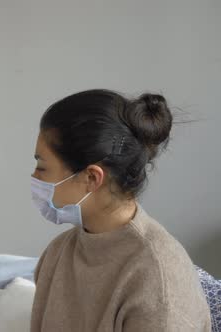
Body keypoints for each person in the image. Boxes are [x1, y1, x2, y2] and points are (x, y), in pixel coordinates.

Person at [30, 89, 211, 331]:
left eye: (42, 167)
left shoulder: (157, 278)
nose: (34, 177)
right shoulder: (58, 253)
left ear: (92, 178)